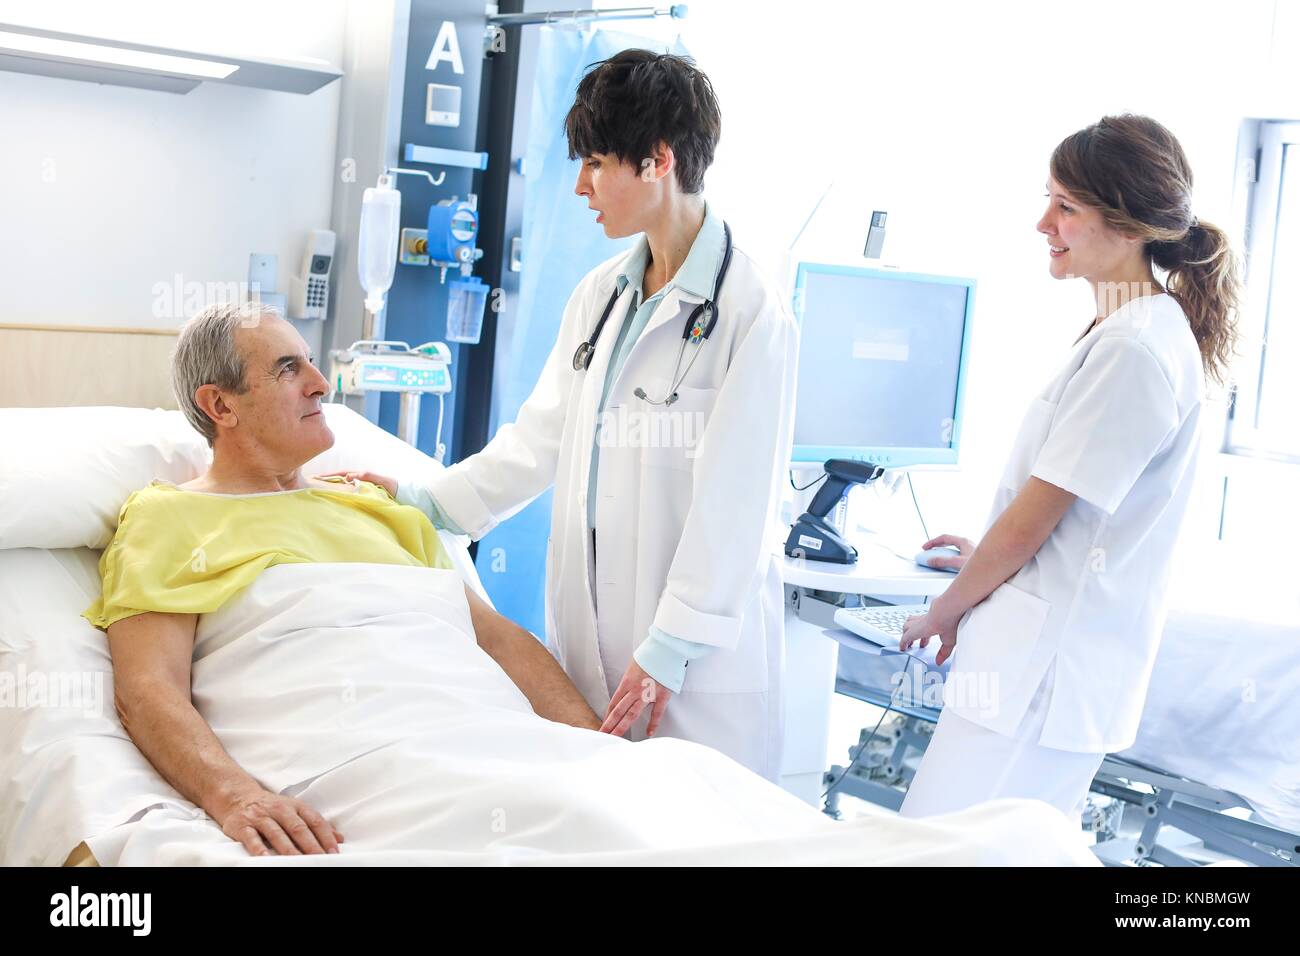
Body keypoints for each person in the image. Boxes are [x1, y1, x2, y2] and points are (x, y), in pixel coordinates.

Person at [350, 50, 798, 779]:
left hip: (696, 672)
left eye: (596, 163)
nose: (583, 186)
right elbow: (541, 438)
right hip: (594, 651)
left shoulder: (751, 311)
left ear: (656, 161)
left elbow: (737, 506)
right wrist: (427, 505)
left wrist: (670, 648)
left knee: (705, 836)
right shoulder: (603, 294)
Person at [897, 114, 1241, 819]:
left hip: (1041, 680)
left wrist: (945, 608)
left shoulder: (1135, 349)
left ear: (1128, 224)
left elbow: (1032, 524)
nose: (1042, 223)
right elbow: (1071, 520)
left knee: (933, 851)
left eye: (1066, 207)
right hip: (1040, 668)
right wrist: (981, 563)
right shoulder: (1130, 329)